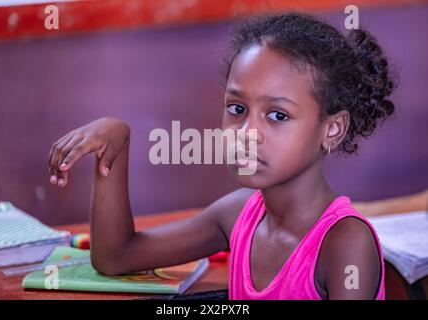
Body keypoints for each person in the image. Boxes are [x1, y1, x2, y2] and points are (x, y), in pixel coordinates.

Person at [47, 13, 395, 299]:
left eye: (277, 115)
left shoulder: (345, 243)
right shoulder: (240, 213)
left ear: (332, 129)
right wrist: (115, 146)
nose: (245, 133)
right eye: (237, 108)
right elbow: (115, 257)